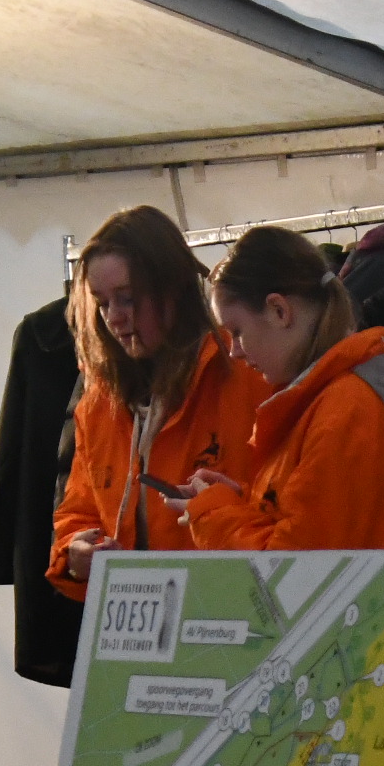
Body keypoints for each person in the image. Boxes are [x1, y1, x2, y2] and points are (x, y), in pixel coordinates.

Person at [176, 226, 384, 550]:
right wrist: (240, 503)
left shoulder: (346, 410)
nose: (234, 351)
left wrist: (213, 514)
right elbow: (312, 525)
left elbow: (295, 568)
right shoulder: (331, 398)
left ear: (279, 311)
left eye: (237, 332)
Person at [48, 205, 271, 599]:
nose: (114, 317)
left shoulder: (248, 374)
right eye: (101, 303)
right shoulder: (99, 399)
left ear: (173, 290)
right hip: (133, 621)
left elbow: (286, 515)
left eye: (127, 299)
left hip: (231, 612)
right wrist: (75, 554)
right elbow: (78, 510)